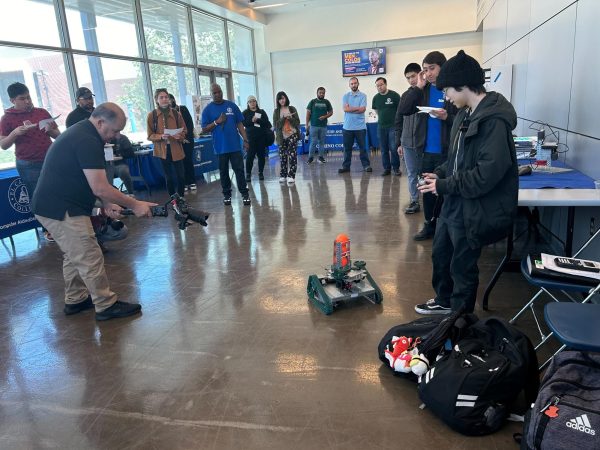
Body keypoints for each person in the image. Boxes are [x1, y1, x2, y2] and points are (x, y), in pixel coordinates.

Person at [414, 50, 518, 315]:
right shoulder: (464, 114)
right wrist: (440, 173)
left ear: (462, 86)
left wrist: (444, 185)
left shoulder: (493, 121)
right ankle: (444, 300)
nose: (446, 96)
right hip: (454, 201)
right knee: (441, 254)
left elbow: (486, 175)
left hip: (472, 206)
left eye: (448, 90)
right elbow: (456, 159)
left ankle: (460, 318)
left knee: (462, 265)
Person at [31, 103, 157, 321]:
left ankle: (76, 299)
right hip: (60, 207)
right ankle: (105, 305)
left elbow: (90, 183)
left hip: (57, 203)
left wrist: (106, 204)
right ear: (100, 122)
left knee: (75, 253)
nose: (117, 136)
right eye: (115, 130)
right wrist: (134, 204)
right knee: (88, 253)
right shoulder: (87, 140)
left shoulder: (83, 133)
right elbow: (100, 186)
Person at [395, 51, 456, 240]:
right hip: (426, 152)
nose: (428, 73)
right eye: (424, 70)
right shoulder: (423, 91)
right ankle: (429, 225)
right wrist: (418, 87)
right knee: (427, 191)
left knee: (448, 191)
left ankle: (448, 228)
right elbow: (404, 109)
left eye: (431, 69)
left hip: (448, 152)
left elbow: (463, 121)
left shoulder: (452, 90)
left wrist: (447, 117)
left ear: (442, 68)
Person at [0, 82, 60, 242]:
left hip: (51, 159)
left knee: (57, 192)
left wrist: (51, 130)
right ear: (13, 100)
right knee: (38, 196)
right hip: (28, 164)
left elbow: (58, 136)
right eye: (22, 99)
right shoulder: (6, 119)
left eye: (28, 97)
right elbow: (3, 145)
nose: (27, 101)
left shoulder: (41, 112)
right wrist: (15, 133)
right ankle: (48, 228)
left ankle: (61, 225)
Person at [201, 83, 251, 205]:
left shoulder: (231, 106)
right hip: (220, 148)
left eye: (219, 92)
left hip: (234, 146)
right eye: (215, 93)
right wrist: (216, 122)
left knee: (239, 170)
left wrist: (245, 140)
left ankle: (244, 194)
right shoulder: (207, 110)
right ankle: (227, 195)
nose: (218, 94)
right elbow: (204, 129)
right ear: (211, 94)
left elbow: (240, 124)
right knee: (223, 172)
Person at [147, 88, 187, 198]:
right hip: (163, 150)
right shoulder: (152, 115)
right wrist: (160, 136)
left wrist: (180, 135)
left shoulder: (176, 113)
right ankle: (173, 199)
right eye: (161, 97)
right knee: (168, 177)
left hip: (176, 148)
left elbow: (184, 130)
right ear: (157, 100)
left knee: (181, 176)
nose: (164, 99)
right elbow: (150, 135)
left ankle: (181, 197)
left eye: (166, 97)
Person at [395, 63, 423, 214]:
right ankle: (414, 200)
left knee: (424, 172)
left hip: (423, 142)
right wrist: (398, 142)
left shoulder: (427, 94)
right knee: (411, 173)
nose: (411, 80)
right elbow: (399, 119)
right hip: (407, 142)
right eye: (408, 78)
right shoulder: (405, 96)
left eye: (413, 76)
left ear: (420, 75)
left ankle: (431, 198)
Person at [338, 77, 371, 173]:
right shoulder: (345, 96)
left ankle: (366, 165)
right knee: (347, 149)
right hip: (347, 127)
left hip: (360, 127)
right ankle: (346, 167)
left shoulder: (363, 96)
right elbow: (345, 109)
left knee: (363, 148)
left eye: (355, 83)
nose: (353, 85)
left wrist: (351, 109)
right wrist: (357, 109)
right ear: (349, 85)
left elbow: (363, 110)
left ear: (358, 83)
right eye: (351, 84)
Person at [372, 77, 401, 176]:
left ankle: (396, 168)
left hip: (393, 126)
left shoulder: (394, 95)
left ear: (385, 84)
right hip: (381, 127)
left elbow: (400, 110)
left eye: (381, 85)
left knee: (393, 148)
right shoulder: (376, 98)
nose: (379, 87)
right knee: (383, 149)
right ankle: (387, 168)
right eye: (377, 86)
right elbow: (376, 110)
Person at [169, 94, 197, 191]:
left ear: (173, 99)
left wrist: (185, 137)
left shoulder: (182, 109)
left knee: (188, 160)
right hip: (176, 141)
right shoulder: (168, 113)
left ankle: (192, 181)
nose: (169, 101)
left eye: (170, 99)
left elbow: (189, 124)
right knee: (180, 162)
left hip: (187, 139)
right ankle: (184, 183)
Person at [272, 91, 300, 185]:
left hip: (292, 135)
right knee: (282, 156)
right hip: (281, 137)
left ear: (286, 98)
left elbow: (297, 123)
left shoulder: (292, 108)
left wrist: (290, 118)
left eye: (283, 98)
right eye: (280, 99)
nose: (282, 100)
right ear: (278, 100)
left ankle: (291, 175)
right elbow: (276, 125)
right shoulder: (276, 111)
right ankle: (283, 175)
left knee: (292, 156)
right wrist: (283, 118)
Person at [242, 95, 271, 182]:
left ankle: (260, 172)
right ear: (248, 103)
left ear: (256, 102)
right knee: (250, 157)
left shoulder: (261, 111)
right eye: (250, 101)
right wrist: (251, 120)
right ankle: (248, 174)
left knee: (261, 156)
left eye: (254, 101)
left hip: (261, 137)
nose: (252, 103)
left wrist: (258, 120)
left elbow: (267, 124)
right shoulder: (245, 113)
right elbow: (243, 124)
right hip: (250, 138)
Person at [305, 87, 333, 164]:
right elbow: (308, 114)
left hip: (323, 126)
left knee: (322, 142)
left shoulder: (327, 102)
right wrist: (307, 124)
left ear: (324, 93)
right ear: (317, 93)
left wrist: (325, 117)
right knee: (313, 142)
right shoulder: (312, 102)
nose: (321, 94)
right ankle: (310, 158)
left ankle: (321, 157)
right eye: (320, 92)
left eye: (323, 93)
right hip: (313, 126)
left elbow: (331, 112)